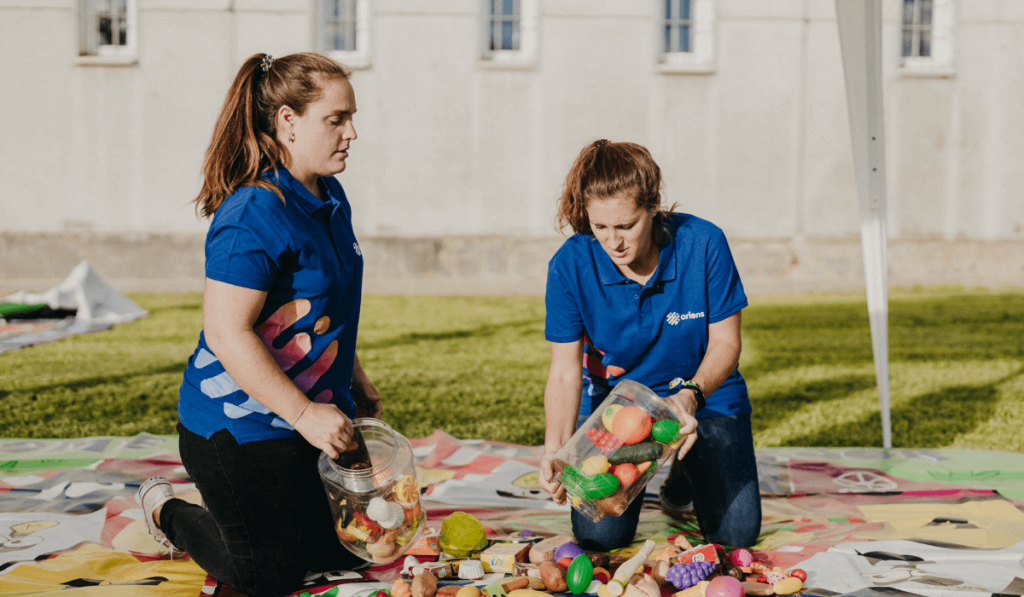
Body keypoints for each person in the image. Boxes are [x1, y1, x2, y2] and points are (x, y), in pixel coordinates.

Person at [136, 52, 380, 596]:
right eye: (336, 119)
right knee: (266, 573)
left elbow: (329, 305)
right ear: (288, 121)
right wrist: (305, 415)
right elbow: (227, 333)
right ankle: (169, 510)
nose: (352, 133)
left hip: (309, 418)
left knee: (355, 546)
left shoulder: (328, 194)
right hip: (235, 426)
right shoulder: (251, 214)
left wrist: (354, 377)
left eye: (351, 117)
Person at [538, 140, 761, 551]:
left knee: (736, 537)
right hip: (617, 408)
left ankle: (681, 470)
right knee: (598, 536)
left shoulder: (704, 242)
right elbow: (565, 371)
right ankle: (673, 462)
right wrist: (556, 447)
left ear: (654, 204)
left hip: (703, 397)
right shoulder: (569, 264)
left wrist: (691, 397)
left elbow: (727, 343)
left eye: (626, 226)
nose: (612, 242)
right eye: (600, 227)